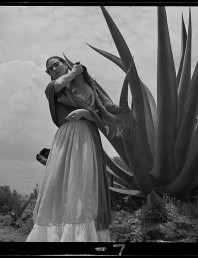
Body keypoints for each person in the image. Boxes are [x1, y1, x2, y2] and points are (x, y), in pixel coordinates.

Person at [26, 55, 133, 242]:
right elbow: (57, 84)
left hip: (86, 135)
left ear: (64, 64)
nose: (54, 69)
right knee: (59, 184)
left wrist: (86, 112)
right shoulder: (53, 89)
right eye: (50, 69)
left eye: (56, 65)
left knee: (83, 181)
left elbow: (99, 114)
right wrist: (74, 71)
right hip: (65, 137)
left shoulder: (88, 89)